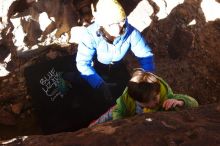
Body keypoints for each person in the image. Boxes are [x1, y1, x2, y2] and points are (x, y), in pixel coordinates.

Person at [76, 0, 155, 102]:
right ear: (101, 24)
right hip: (97, 66)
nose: (117, 29)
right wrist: (99, 83)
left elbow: (145, 55)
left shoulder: (130, 32)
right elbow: (83, 63)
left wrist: (147, 78)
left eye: (121, 21)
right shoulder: (90, 35)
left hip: (117, 66)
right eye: (111, 24)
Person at [89, 69, 199, 127]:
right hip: (122, 109)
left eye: (155, 98)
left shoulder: (166, 97)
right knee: (102, 121)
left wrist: (180, 102)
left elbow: (194, 103)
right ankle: (90, 126)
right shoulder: (127, 100)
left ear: (158, 91)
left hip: (137, 117)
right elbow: (119, 111)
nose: (153, 104)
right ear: (136, 100)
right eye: (146, 103)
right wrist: (120, 123)